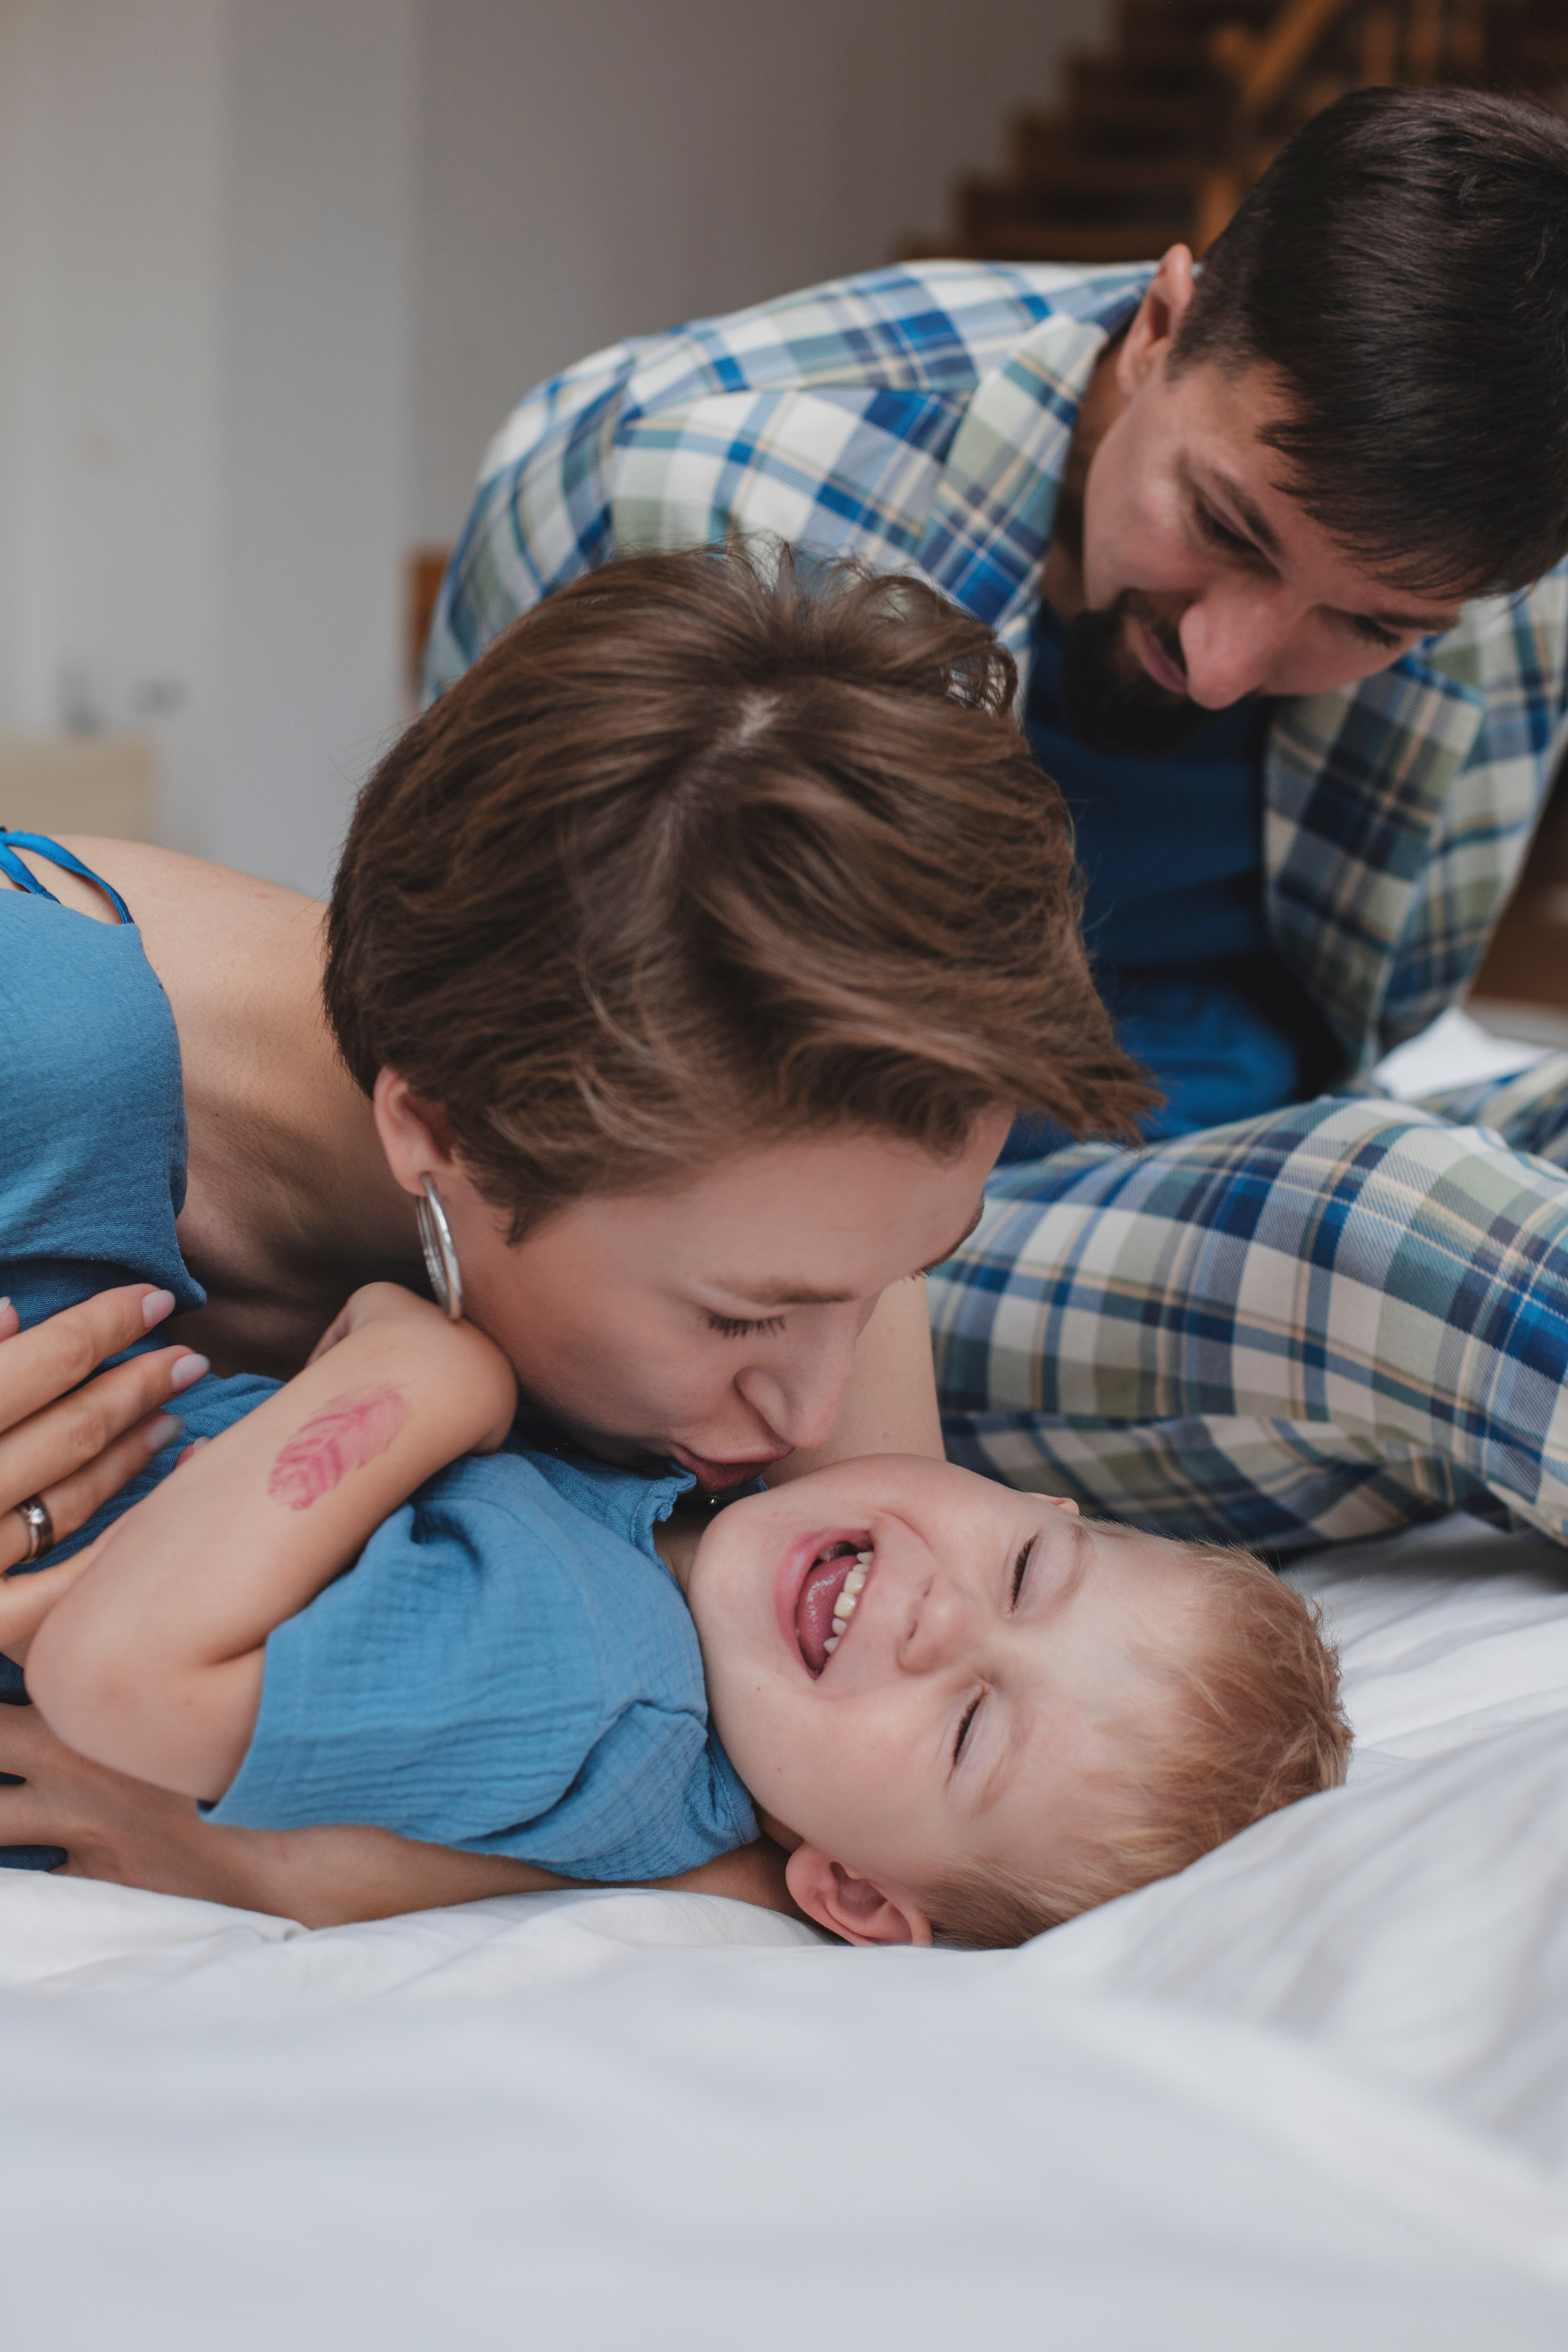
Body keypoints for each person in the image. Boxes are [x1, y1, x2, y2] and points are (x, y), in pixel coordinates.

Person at [429, 85, 1568, 1558]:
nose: (1223, 666)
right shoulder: (700, 479)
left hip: (1225, 1167)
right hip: (866, 1256)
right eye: (1222, 529)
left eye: (1363, 623)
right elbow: (548, 1101)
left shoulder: (1499, 602)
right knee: (1410, 1235)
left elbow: (1367, 1030)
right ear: (1161, 325)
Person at [0, 543, 1148, 1913]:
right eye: (736, 1316)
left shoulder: (791, 1160)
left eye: (906, 1268)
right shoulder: (41, 1063)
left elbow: (835, 1832)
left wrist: (324, 1868)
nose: (813, 1409)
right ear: (436, 1130)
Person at [4, 1280, 1348, 1948]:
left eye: (966, 1733)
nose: (944, 1621)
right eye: (1020, 1576)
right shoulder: (650, 1550)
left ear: (855, 1896)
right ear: (1033, 1499)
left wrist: (432, 1372)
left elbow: (118, 1679)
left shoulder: (589, 1678)